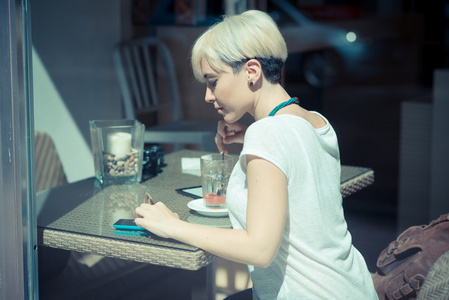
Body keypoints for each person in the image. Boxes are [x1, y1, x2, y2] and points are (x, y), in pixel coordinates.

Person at [134, 10, 378, 300]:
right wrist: (249, 134)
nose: (208, 96)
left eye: (213, 81)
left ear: (251, 71)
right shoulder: (317, 122)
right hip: (350, 286)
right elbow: (295, 162)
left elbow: (259, 250)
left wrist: (173, 225)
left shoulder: (267, 135)